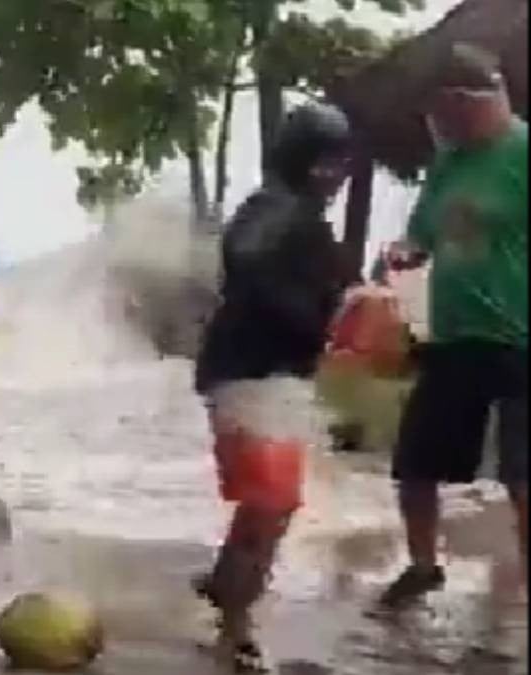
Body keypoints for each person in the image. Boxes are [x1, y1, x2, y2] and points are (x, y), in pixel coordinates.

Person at [192, 102, 354, 671]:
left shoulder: (295, 211)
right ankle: (236, 627)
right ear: (312, 163)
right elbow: (244, 253)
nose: (341, 175)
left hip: (262, 374)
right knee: (271, 502)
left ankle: (224, 586)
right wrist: (306, 319)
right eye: (334, 162)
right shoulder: (280, 207)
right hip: (253, 374)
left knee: (270, 504)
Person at [379, 43, 528, 610]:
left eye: (443, 114)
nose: (437, 126)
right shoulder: (448, 164)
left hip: (521, 338)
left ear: (472, 101)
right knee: (415, 463)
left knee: (524, 476)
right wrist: (404, 251)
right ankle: (422, 567)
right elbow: (422, 234)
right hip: (454, 336)